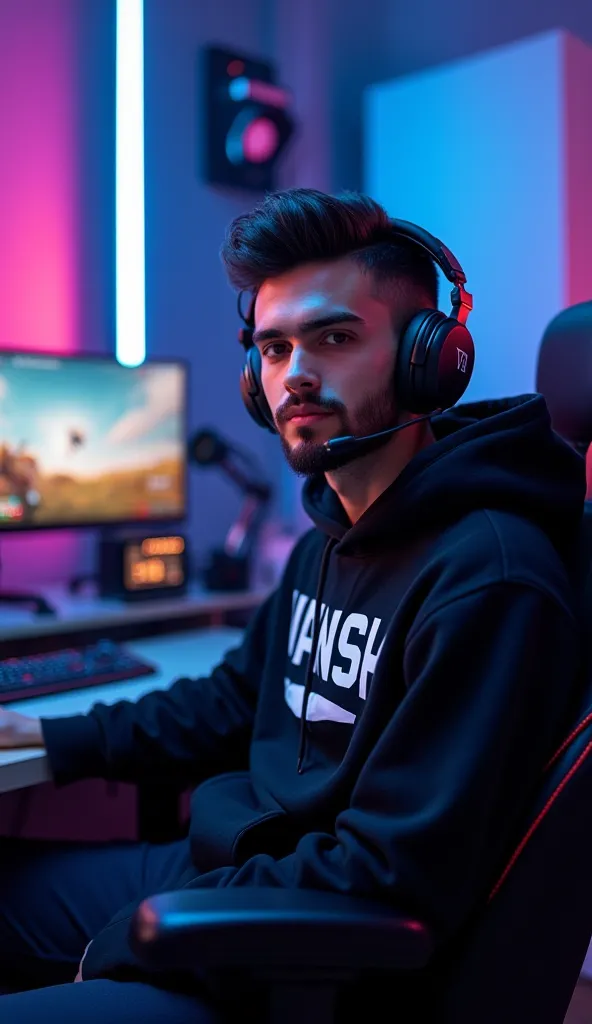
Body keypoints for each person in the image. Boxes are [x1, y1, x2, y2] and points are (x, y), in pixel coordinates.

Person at [0, 189, 585, 1022]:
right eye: (273, 350)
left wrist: (127, 938)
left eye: (335, 337)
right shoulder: (329, 535)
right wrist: (56, 737)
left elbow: (390, 875)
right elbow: (238, 699)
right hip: (235, 872)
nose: (295, 375)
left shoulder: (489, 579)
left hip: (321, 954)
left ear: (429, 358)